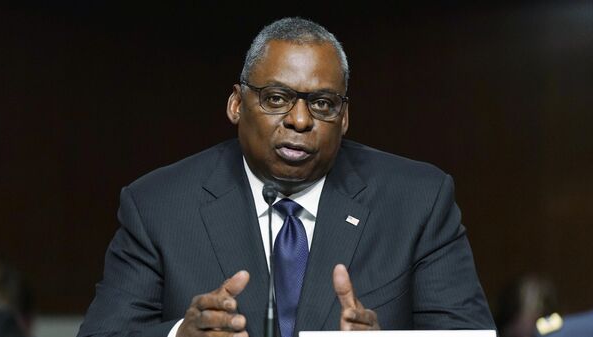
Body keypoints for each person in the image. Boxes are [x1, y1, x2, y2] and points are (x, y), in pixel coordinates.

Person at [77, 17, 495, 337]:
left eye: (323, 103)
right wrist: (179, 334)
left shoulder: (419, 201)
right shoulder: (158, 205)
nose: (299, 120)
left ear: (344, 117)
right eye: (276, 98)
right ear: (237, 104)